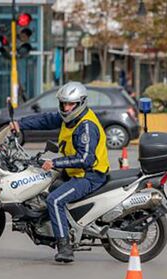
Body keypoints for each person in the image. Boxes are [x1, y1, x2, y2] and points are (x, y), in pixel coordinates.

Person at [10, 82, 109, 263]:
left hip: (89, 176)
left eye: (70, 104)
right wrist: (20, 124)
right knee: (44, 185)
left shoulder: (86, 126)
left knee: (54, 200)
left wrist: (55, 162)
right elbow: (46, 120)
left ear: (81, 103)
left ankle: (65, 247)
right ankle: (51, 227)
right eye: (64, 103)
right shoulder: (69, 118)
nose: (66, 107)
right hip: (74, 172)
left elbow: (85, 159)